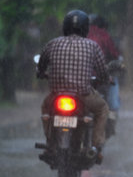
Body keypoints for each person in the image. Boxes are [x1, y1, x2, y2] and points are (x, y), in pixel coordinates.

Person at [37, 9, 109, 159]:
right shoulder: (92, 46)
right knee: (102, 109)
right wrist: (105, 79)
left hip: (56, 94)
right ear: (85, 28)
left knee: (45, 109)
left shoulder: (52, 43)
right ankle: (96, 147)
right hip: (83, 94)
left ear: (65, 27)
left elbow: (41, 66)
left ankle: (50, 142)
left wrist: (41, 73)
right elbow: (102, 72)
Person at [88, 14, 123, 135]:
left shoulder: (76, 36)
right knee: (113, 102)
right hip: (100, 78)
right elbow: (115, 55)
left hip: (77, 79)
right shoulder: (103, 35)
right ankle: (111, 120)